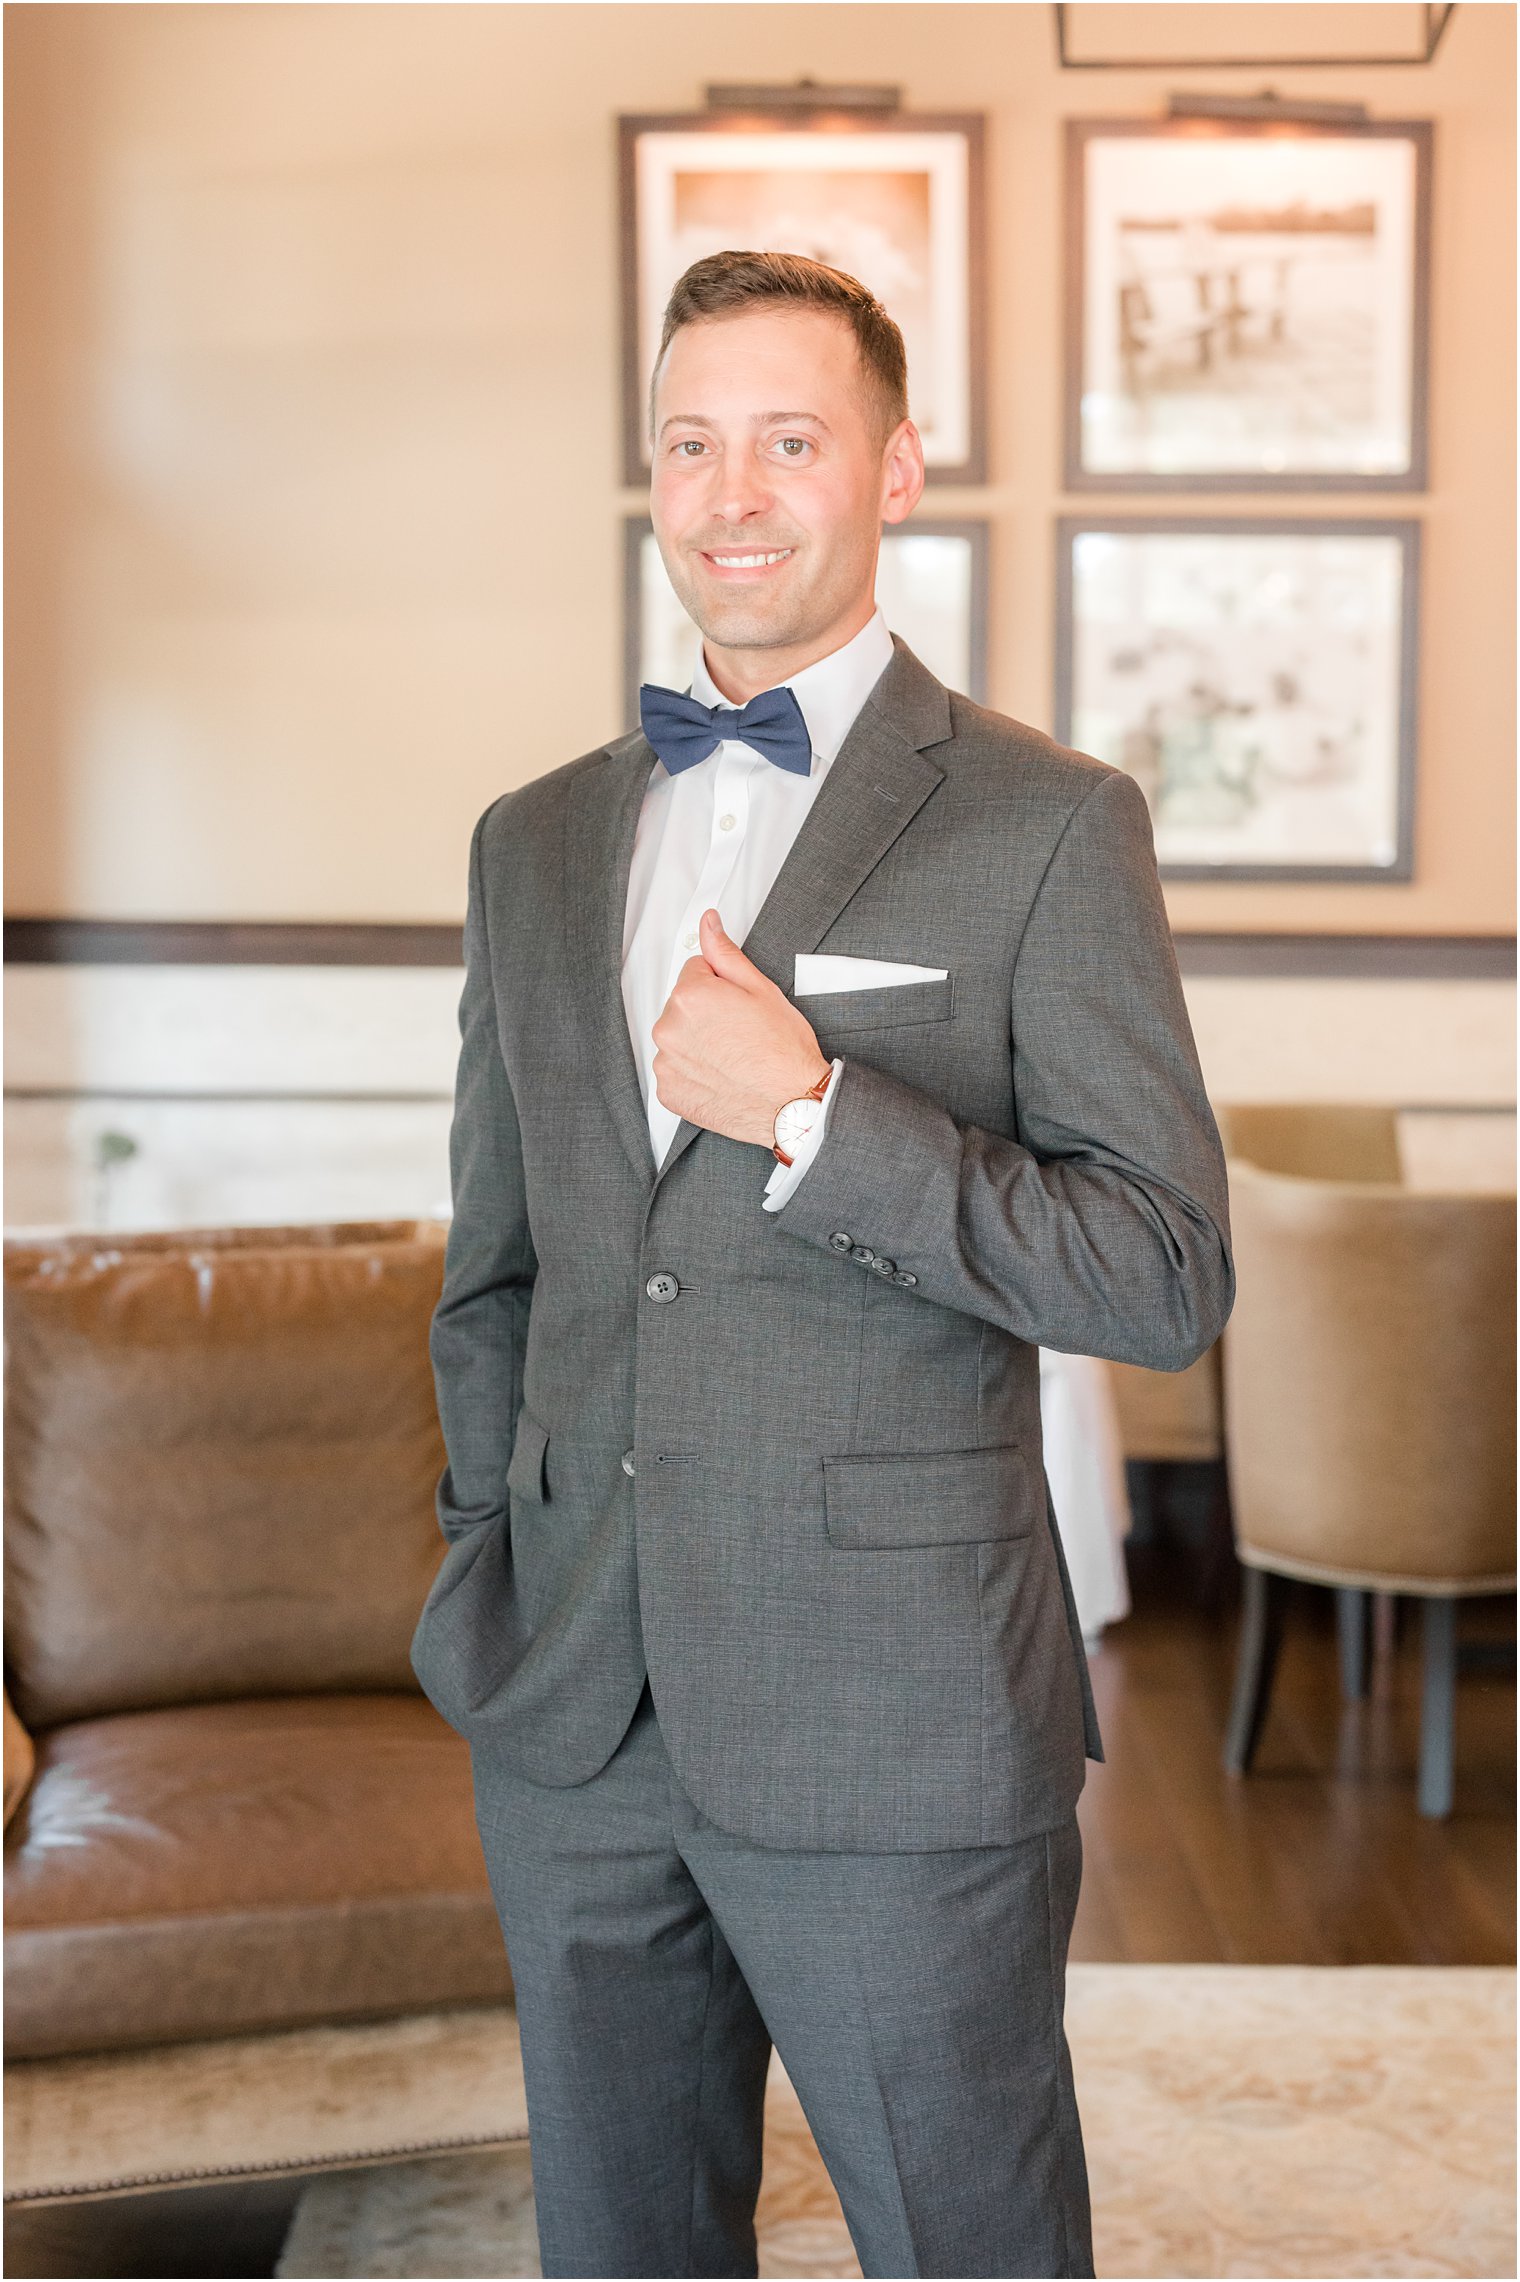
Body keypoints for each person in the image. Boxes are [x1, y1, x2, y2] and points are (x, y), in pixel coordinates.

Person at [411, 248, 1234, 2280]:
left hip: (896, 1719)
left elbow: (1158, 1271)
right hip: (574, 1712)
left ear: (895, 467)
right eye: (690, 444)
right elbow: (496, 1264)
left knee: (967, 2241)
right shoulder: (529, 840)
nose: (734, 491)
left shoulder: (1049, 824)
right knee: (618, 2247)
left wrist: (811, 1120)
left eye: (790, 438)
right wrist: (483, 1554)